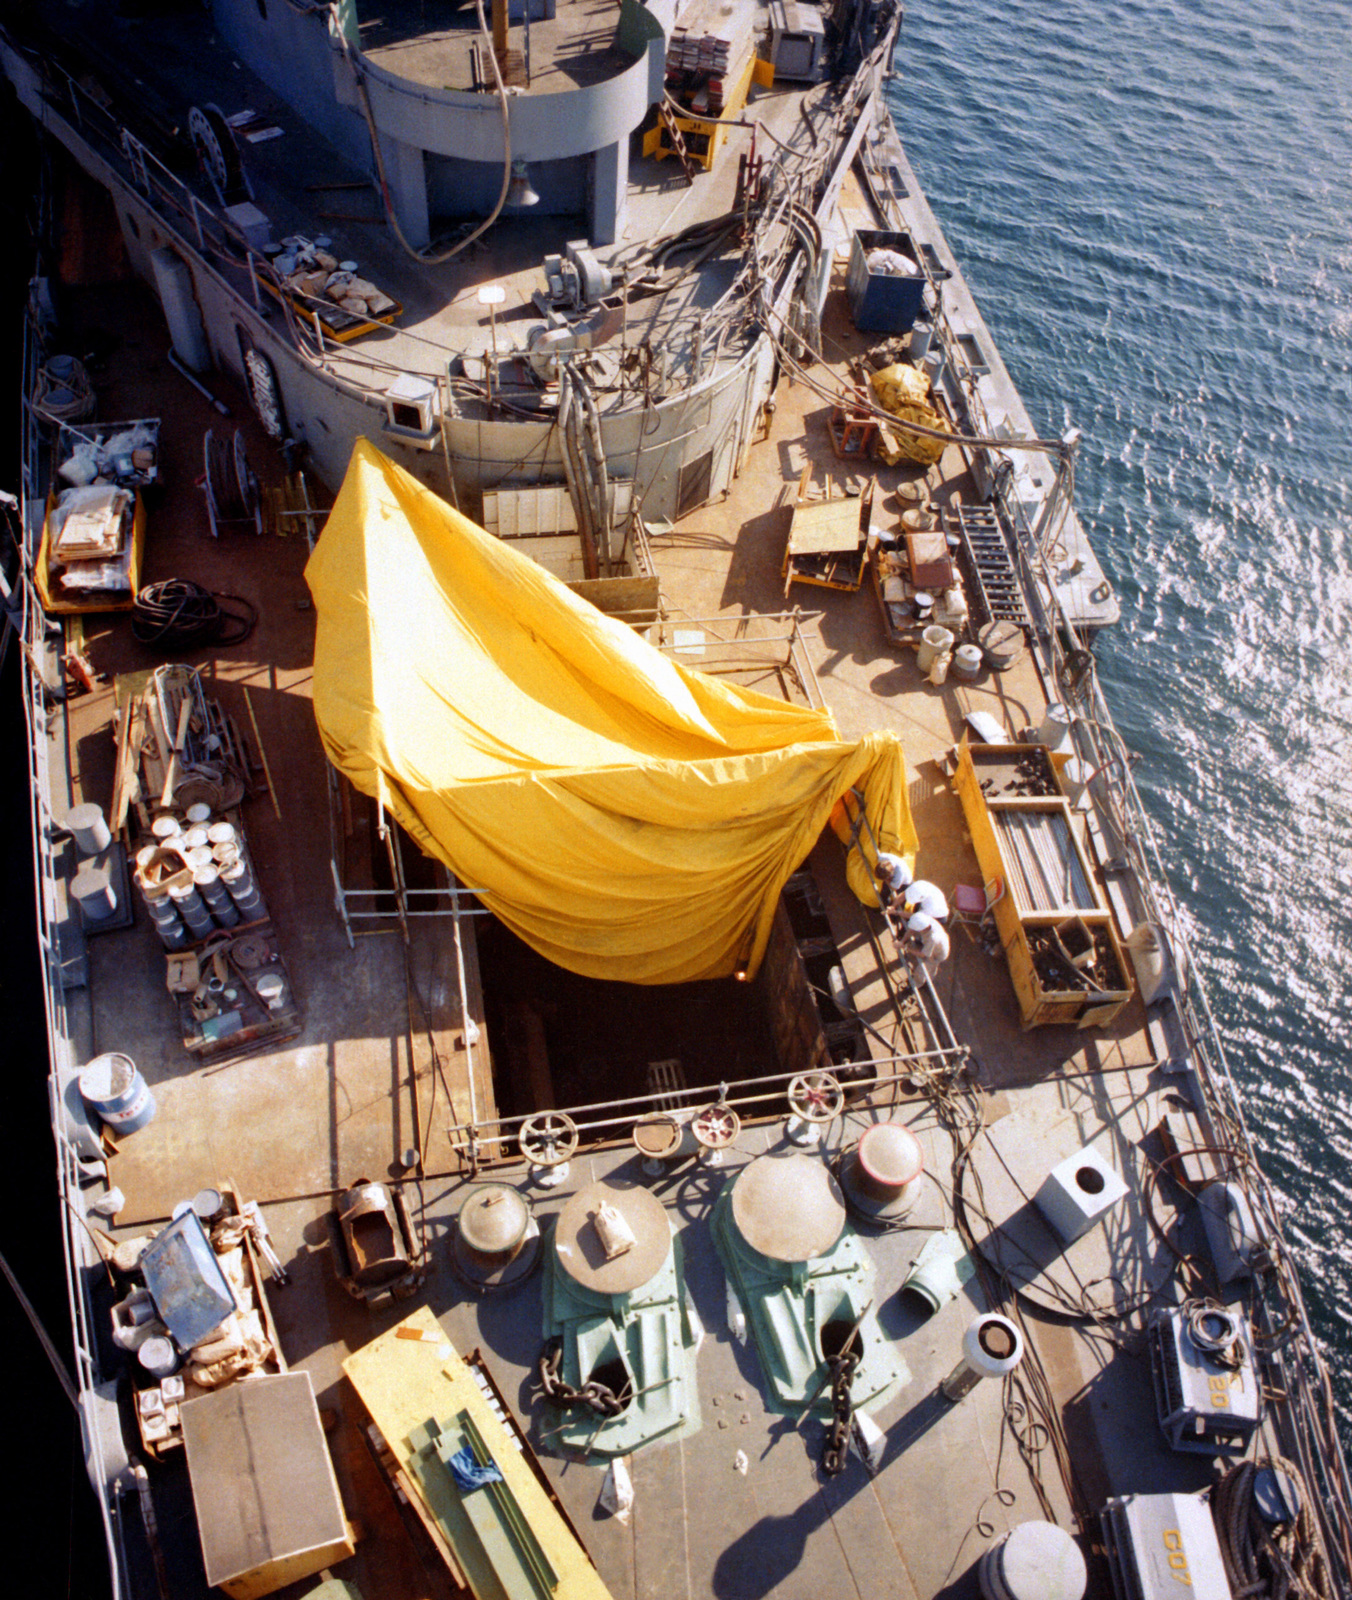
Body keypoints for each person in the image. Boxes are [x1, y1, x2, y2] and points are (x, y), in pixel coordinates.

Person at [902, 910, 950, 985]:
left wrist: (905, 948)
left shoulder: (933, 938)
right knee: (932, 967)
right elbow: (911, 931)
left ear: (922, 929)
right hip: (940, 942)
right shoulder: (926, 920)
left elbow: (922, 954)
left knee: (922, 969)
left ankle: (916, 984)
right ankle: (929, 978)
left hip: (938, 954)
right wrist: (902, 941)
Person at [873, 851, 912, 921]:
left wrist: (886, 881)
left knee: (899, 901)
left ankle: (895, 917)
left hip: (905, 883)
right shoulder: (883, 857)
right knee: (884, 893)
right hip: (890, 878)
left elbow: (893, 887)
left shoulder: (899, 874)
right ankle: (882, 907)